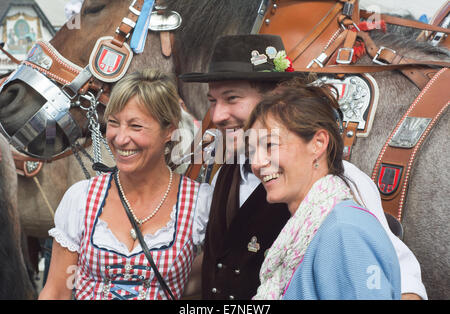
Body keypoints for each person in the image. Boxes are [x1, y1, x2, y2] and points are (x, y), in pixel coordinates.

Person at [180, 34, 426, 300]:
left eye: (231, 98)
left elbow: (402, 281)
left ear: (275, 97)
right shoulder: (224, 176)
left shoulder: (343, 186)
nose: (216, 116)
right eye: (212, 101)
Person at [39, 69, 212, 300]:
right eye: (113, 123)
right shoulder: (81, 198)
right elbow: (56, 291)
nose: (120, 139)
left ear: (169, 130)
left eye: (135, 126)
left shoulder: (199, 202)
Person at [247, 82, 400, 299]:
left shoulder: (344, 231)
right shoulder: (315, 225)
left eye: (270, 145)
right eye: (252, 150)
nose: (256, 162)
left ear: (318, 143)